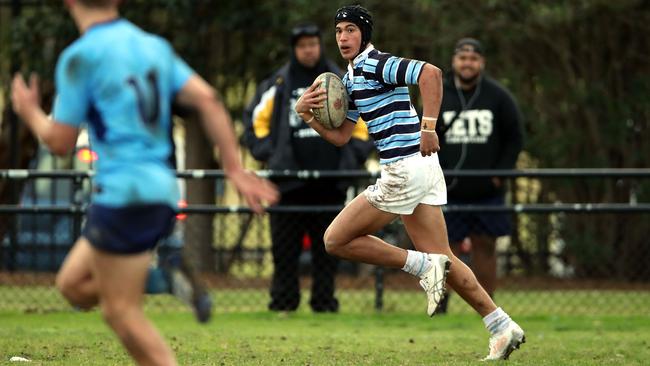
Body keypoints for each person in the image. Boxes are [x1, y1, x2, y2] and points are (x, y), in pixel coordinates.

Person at [10, 1, 278, 365]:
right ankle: (164, 280)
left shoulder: (80, 56)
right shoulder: (154, 47)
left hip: (124, 192)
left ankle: (162, 283)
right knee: (72, 285)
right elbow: (210, 100)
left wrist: (29, 112)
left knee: (120, 311)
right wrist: (233, 168)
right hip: (162, 188)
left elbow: (60, 143)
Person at [294, 5, 525, 360]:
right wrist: (307, 114)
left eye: (351, 29)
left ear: (365, 34)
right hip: (421, 169)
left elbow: (430, 73)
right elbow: (342, 136)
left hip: (404, 169)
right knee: (444, 256)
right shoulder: (353, 77)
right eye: (339, 30)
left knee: (335, 239)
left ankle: (420, 266)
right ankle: (501, 325)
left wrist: (428, 126)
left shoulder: (376, 62)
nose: (343, 37)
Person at [243, 22, 373, 313]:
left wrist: (354, 153)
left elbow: (363, 121)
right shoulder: (277, 84)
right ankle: (283, 304)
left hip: (330, 182)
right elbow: (254, 122)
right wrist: (271, 153)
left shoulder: (341, 80)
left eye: (313, 44)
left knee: (329, 248)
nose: (308, 50)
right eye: (302, 45)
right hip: (287, 184)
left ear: (319, 45)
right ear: (294, 49)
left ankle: (324, 304)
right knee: (284, 251)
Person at [435, 38, 524, 314]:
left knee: (485, 247)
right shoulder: (439, 94)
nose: (467, 64)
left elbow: (515, 137)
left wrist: (500, 174)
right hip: (447, 190)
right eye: (462, 58)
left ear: (482, 63)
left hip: (487, 190)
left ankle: (488, 307)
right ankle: (440, 304)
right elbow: (425, 135)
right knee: (443, 252)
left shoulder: (499, 97)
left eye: (473, 59)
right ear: (454, 62)